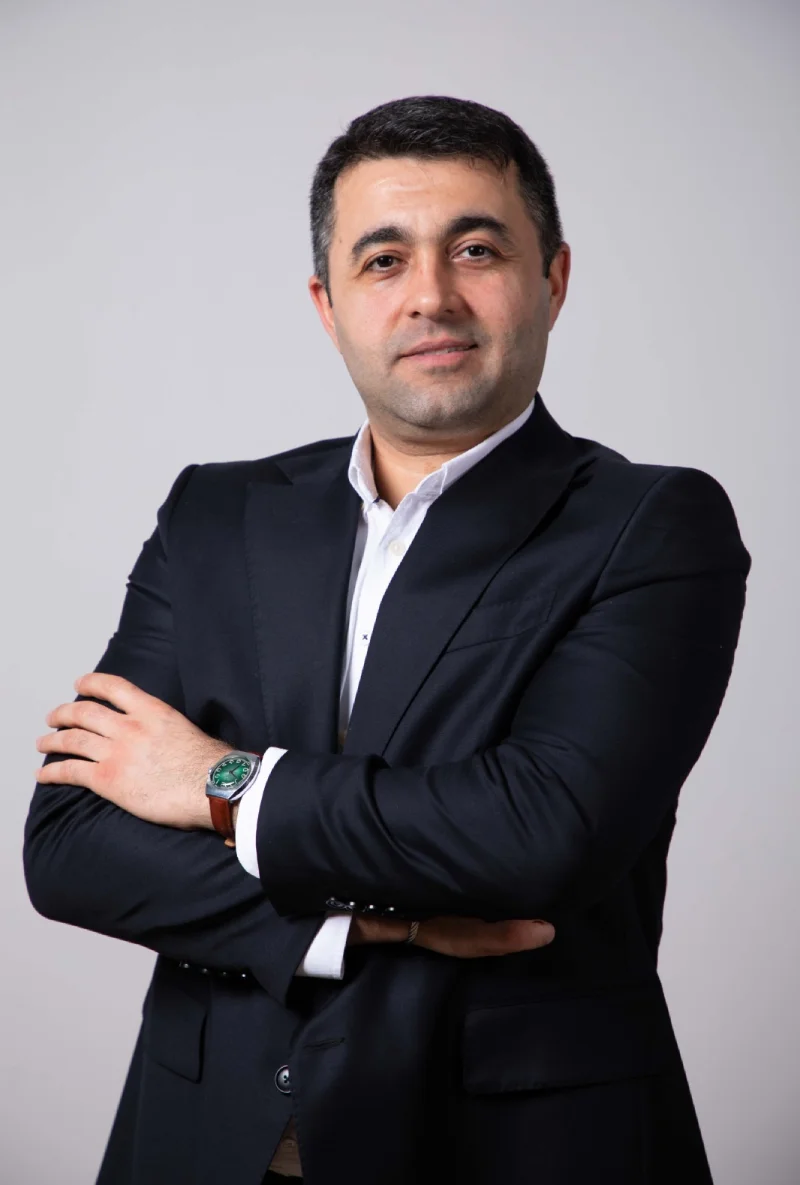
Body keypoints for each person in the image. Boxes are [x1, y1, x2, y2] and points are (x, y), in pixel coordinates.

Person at [24, 95, 751, 1185]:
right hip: (197, 1141)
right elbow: (72, 841)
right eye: (383, 259)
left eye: (476, 249)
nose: (431, 295)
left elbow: (538, 832)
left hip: (509, 1150)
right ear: (327, 304)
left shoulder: (650, 524)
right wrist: (374, 927)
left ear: (553, 279)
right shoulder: (215, 514)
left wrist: (219, 783)